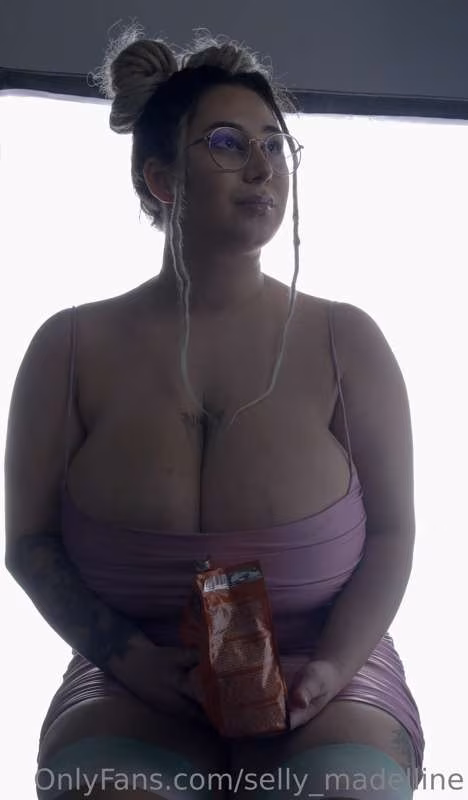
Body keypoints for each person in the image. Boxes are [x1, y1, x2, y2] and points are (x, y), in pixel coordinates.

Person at [4, 23, 424, 800]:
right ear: (161, 179)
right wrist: (131, 662)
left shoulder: (349, 343)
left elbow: (394, 535)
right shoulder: (68, 350)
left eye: (275, 144)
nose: (263, 166)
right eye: (228, 143)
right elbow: (29, 544)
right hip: (132, 676)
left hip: (328, 671)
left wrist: (332, 668)